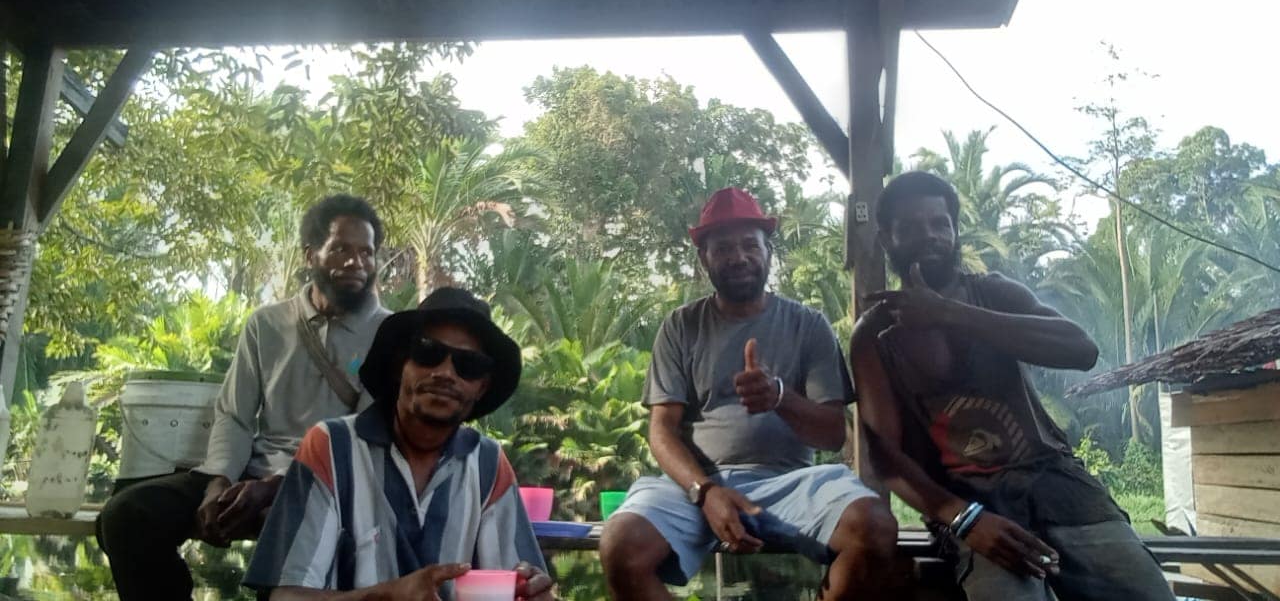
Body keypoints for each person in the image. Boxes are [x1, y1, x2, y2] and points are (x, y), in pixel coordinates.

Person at [849, 171, 1173, 600]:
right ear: (886, 240)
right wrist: (964, 518)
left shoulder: (995, 293)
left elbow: (1081, 349)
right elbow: (885, 457)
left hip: (1061, 486)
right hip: (969, 501)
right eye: (909, 227)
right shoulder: (874, 336)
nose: (929, 236)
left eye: (939, 223)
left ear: (955, 231)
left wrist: (947, 313)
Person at [600, 187, 898, 601]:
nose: (738, 257)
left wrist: (780, 398)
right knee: (619, 545)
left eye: (749, 245)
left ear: (768, 252)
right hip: (693, 486)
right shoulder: (680, 326)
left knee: (875, 527)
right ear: (704, 258)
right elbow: (662, 431)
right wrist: (705, 492)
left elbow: (833, 434)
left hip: (789, 482)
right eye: (723, 248)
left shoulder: (808, 325)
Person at [98, 194, 392, 601]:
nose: (356, 262)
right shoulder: (267, 324)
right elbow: (234, 415)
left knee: (294, 530)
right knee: (127, 514)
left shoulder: (391, 333)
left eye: (366, 252)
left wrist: (275, 488)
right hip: (251, 470)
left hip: (333, 484)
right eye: (341, 249)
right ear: (310, 254)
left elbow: (362, 437)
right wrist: (218, 483)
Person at [242, 287, 554, 600]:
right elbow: (286, 596)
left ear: (481, 388)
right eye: (428, 352)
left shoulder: (487, 464)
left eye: (468, 365)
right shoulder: (332, 448)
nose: (445, 373)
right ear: (399, 365)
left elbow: (517, 581)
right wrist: (386, 596)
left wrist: (532, 591)